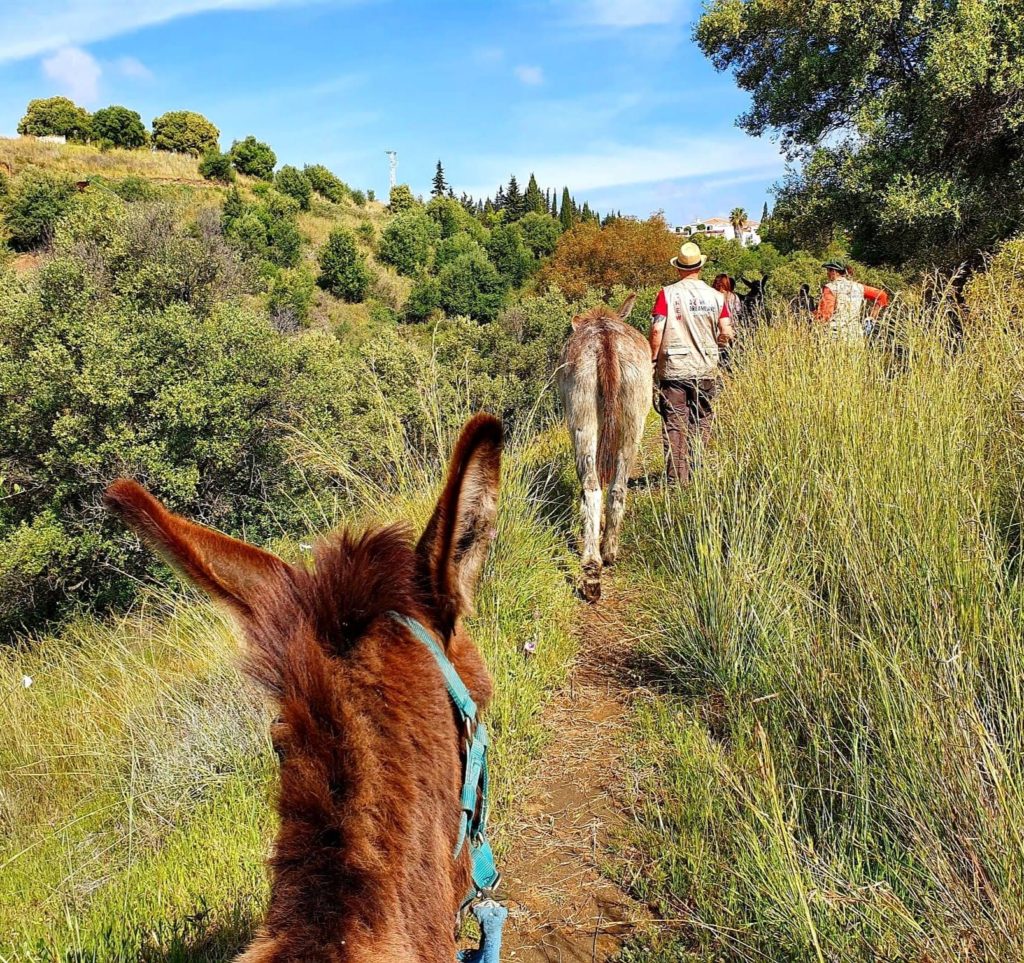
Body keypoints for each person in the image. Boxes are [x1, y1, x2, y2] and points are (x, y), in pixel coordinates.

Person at [650, 242, 735, 484]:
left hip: (675, 369)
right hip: (706, 368)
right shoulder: (717, 297)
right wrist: (719, 341)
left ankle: (677, 477)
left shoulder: (667, 294)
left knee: (675, 422)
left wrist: (653, 360)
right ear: (700, 267)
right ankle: (697, 471)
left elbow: (657, 330)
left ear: (678, 268)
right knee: (702, 420)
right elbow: (726, 332)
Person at [813, 259, 888, 340]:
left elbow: (825, 316)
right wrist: (871, 318)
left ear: (834, 271)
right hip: (855, 335)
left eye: (828, 271)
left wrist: (812, 313)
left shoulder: (830, 288)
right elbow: (882, 295)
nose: (827, 274)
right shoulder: (858, 287)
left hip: (835, 336)